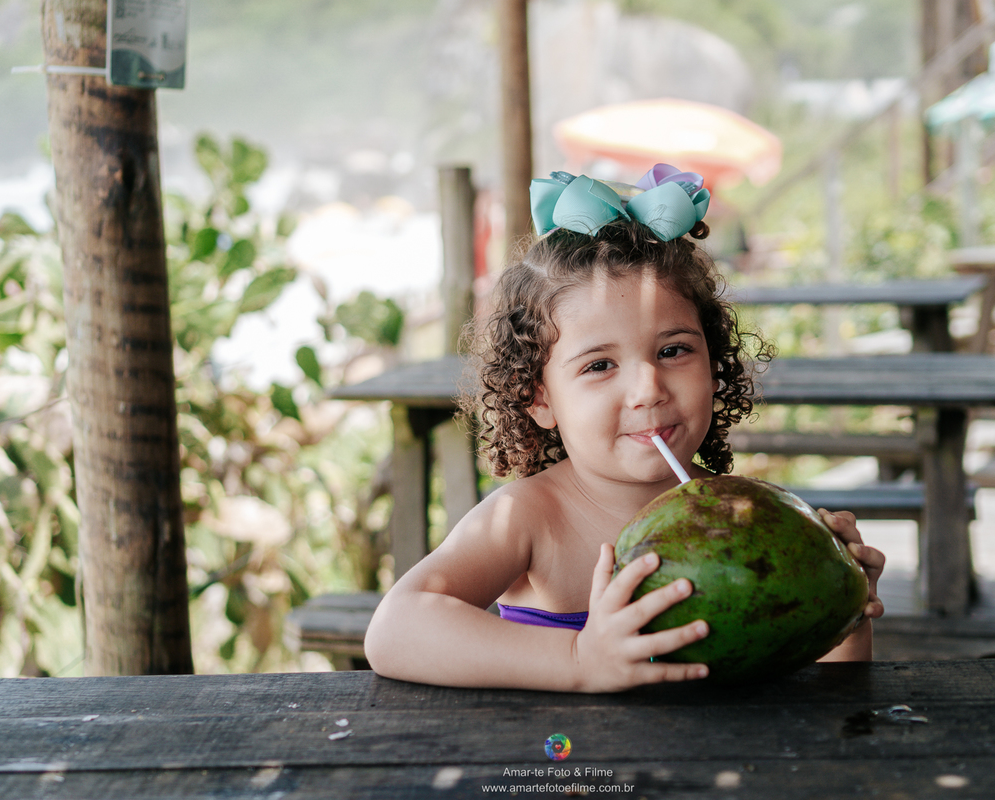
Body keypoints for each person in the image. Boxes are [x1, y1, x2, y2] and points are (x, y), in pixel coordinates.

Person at [364, 165, 885, 692]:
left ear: (715, 363)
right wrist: (577, 659)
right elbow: (394, 630)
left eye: (673, 350)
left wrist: (842, 603)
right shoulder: (529, 518)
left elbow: (830, 695)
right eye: (599, 365)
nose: (647, 388)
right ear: (537, 398)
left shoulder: (741, 514)